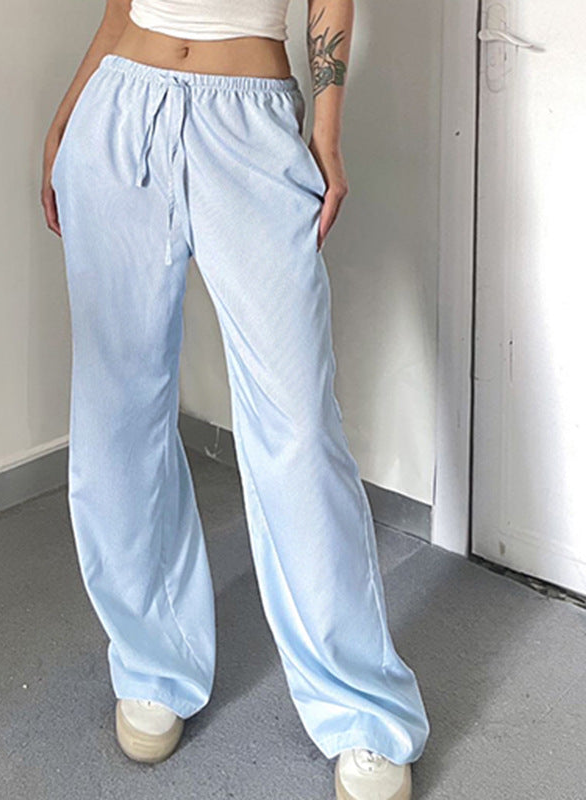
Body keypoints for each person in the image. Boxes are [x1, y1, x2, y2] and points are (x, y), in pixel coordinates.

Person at [40, 2, 430, 798]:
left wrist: (327, 129)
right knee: (116, 417)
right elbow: (120, 9)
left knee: (298, 428)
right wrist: (69, 115)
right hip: (119, 113)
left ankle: (360, 707)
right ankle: (153, 663)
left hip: (249, 121)